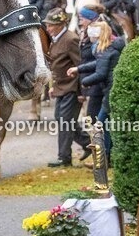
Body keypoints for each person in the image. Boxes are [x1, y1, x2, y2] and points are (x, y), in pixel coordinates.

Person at [44, 9, 92, 168]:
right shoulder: (56, 39)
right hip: (61, 87)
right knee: (62, 119)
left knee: (65, 122)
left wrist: (81, 92)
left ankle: (64, 157)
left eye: (51, 25)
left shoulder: (71, 39)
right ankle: (89, 143)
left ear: (60, 25)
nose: (48, 28)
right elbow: (58, 66)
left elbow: (80, 66)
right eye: (48, 25)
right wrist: (53, 87)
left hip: (72, 88)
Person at [68, 20, 124, 158]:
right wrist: (79, 69)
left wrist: (86, 82)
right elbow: (98, 64)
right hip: (110, 91)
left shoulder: (107, 50)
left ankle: (104, 157)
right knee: (105, 124)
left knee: (100, 123)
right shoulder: (106, 48)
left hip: (110, 92)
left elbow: (101, 73)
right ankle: (107, 155)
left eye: (93, 32)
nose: (90, 35)